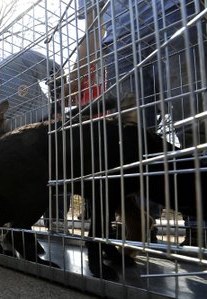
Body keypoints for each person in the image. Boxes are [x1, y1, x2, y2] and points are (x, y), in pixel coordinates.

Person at [75, 0, 206, 245]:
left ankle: (200, 226)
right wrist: (78, 72)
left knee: (193, 126)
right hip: (119, 42)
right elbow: (93, 22)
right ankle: (142, 229)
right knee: (130, 145)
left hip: (172, 13)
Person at [0, 50, 61, 128]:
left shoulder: (20, 60)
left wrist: (57, 108)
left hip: (49, 120)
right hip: (16, 141)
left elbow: (55, 71)